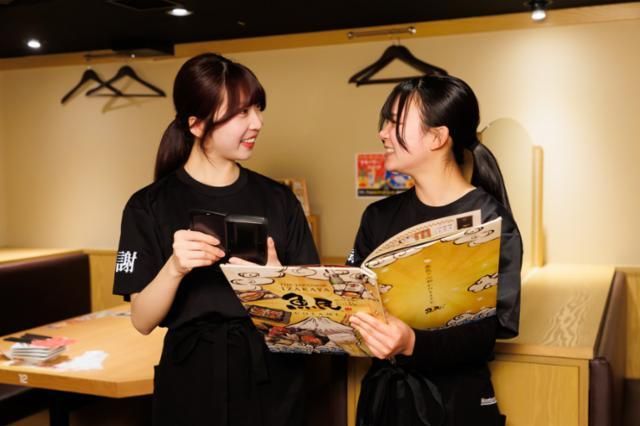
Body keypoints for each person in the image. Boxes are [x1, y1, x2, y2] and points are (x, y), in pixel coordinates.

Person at [113, 53, 319, 426]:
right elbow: (141, 320)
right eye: (241, 113)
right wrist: (174, 268)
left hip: (271, 376)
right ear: (196, 124)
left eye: (257, 109)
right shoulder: (148, 205)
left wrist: (276, 280)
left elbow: (313, 316)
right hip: (190, 379)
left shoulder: (279, 199)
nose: (257, 122)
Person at [347, 75, 522, 426]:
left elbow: (486, 334)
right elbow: (354, 306)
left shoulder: (488, 219)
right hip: (384, 402)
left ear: (437, 137)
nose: (382, 133)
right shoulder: (377, 217)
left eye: (394, 123)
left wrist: (412, 342)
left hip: (456, 404)